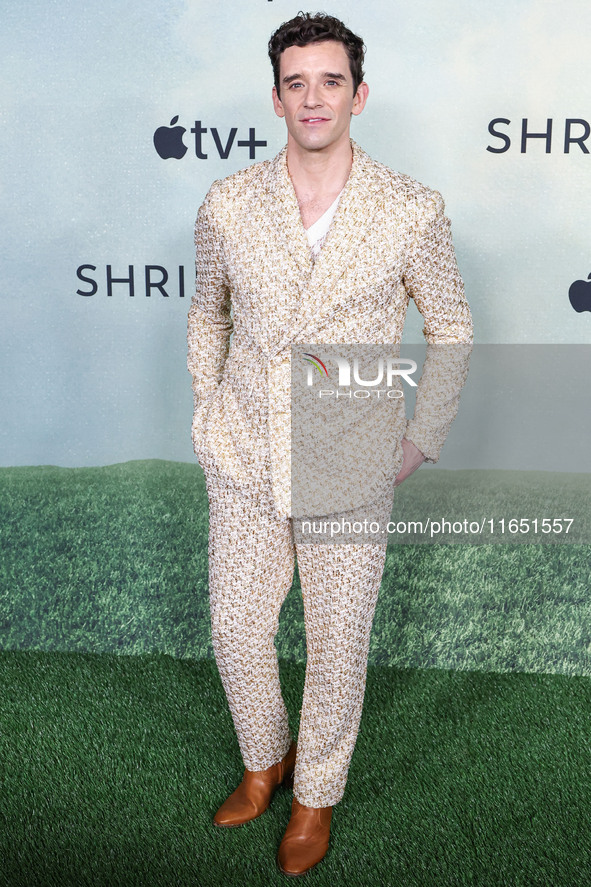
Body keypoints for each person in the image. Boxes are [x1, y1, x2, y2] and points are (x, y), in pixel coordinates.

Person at [187, 12, 473, 876]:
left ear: (358, 92)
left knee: (337, 641)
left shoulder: (410, 208)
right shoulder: (227, 202)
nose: (313, 97)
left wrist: (421, 436)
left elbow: (452, 325)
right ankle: (262, 760)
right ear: (275, 96)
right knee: (236, 626)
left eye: (330, 80)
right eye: (296, 82)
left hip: (347, 451)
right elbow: (208, 312)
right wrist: (206, 410)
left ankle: (313, 793)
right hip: (243, 449)